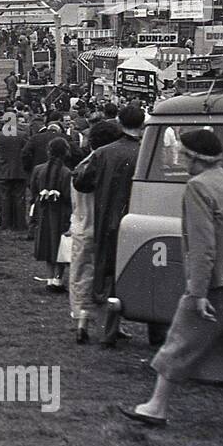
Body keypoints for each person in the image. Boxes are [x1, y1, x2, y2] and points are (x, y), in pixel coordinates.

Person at [121, 128, 223, 440]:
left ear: (195, 158)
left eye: (182, 154)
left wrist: (197, 292)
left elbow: (202, 245)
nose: (180, 159)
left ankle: (156, 407)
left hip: (217, 285)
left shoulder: (197, 187)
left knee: (181, 343)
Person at [73, 104, 144, 346]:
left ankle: (108, 331)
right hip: (137, 220)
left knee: (106, 274)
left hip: (106, 219)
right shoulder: (145, 153)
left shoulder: (103, 154)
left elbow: (82, 182)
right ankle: (153, 331)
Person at [68, 121, 121, 344]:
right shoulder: (112, 168)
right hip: (105, 228)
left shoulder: (81, 167)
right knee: (109, 277)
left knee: (81, 276)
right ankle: (110, 323)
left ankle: (82, 322)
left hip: (82, 226)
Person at [31, 137, 73, 290]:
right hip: (61, 213)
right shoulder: (67, 173)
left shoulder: (38, 170)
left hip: (43, 212)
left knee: (47, 243)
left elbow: (33, 190)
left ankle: (49, 279)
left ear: (49, 151)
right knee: (60, 245)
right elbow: (69, 197)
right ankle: (58, 279)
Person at [0, 114, 28, 232]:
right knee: (19, 198)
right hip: (19, 169)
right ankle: (20, 224)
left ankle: (5, 223)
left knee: (5, 198)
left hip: (4, 170)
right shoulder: (22, 135)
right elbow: (27, 151)